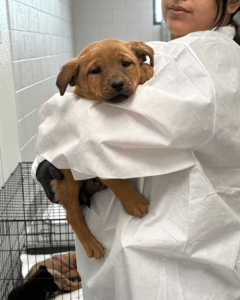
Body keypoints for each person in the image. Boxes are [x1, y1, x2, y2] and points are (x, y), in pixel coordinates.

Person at [32, 0, 240, 299]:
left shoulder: (203, 57)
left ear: (232, 2)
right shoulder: (169, 55)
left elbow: (82, 129)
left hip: (161, 259)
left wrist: (51, 153)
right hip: (138, 252)